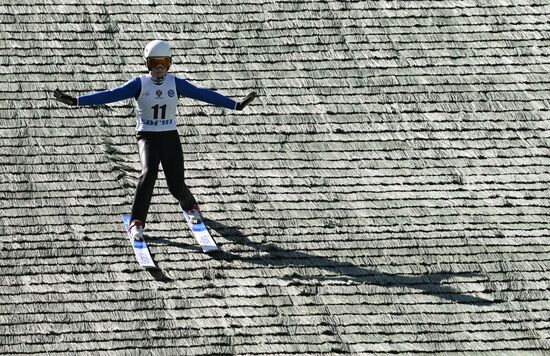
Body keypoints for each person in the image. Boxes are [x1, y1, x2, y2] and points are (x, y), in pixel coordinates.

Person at [54, 39, 256, 242]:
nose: (159, 68)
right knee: (148, 173)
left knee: (176, 185)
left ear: (170, 63)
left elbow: (203, 94)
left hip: (169, 136)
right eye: (154, 63)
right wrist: (77, 101)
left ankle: (190, 206)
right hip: (147, 136)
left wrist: (235, 105)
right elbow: (111, 95)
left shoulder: (175, 83)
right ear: (146, 64)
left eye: (164, 63)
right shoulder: (139, 83)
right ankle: (137, 222)